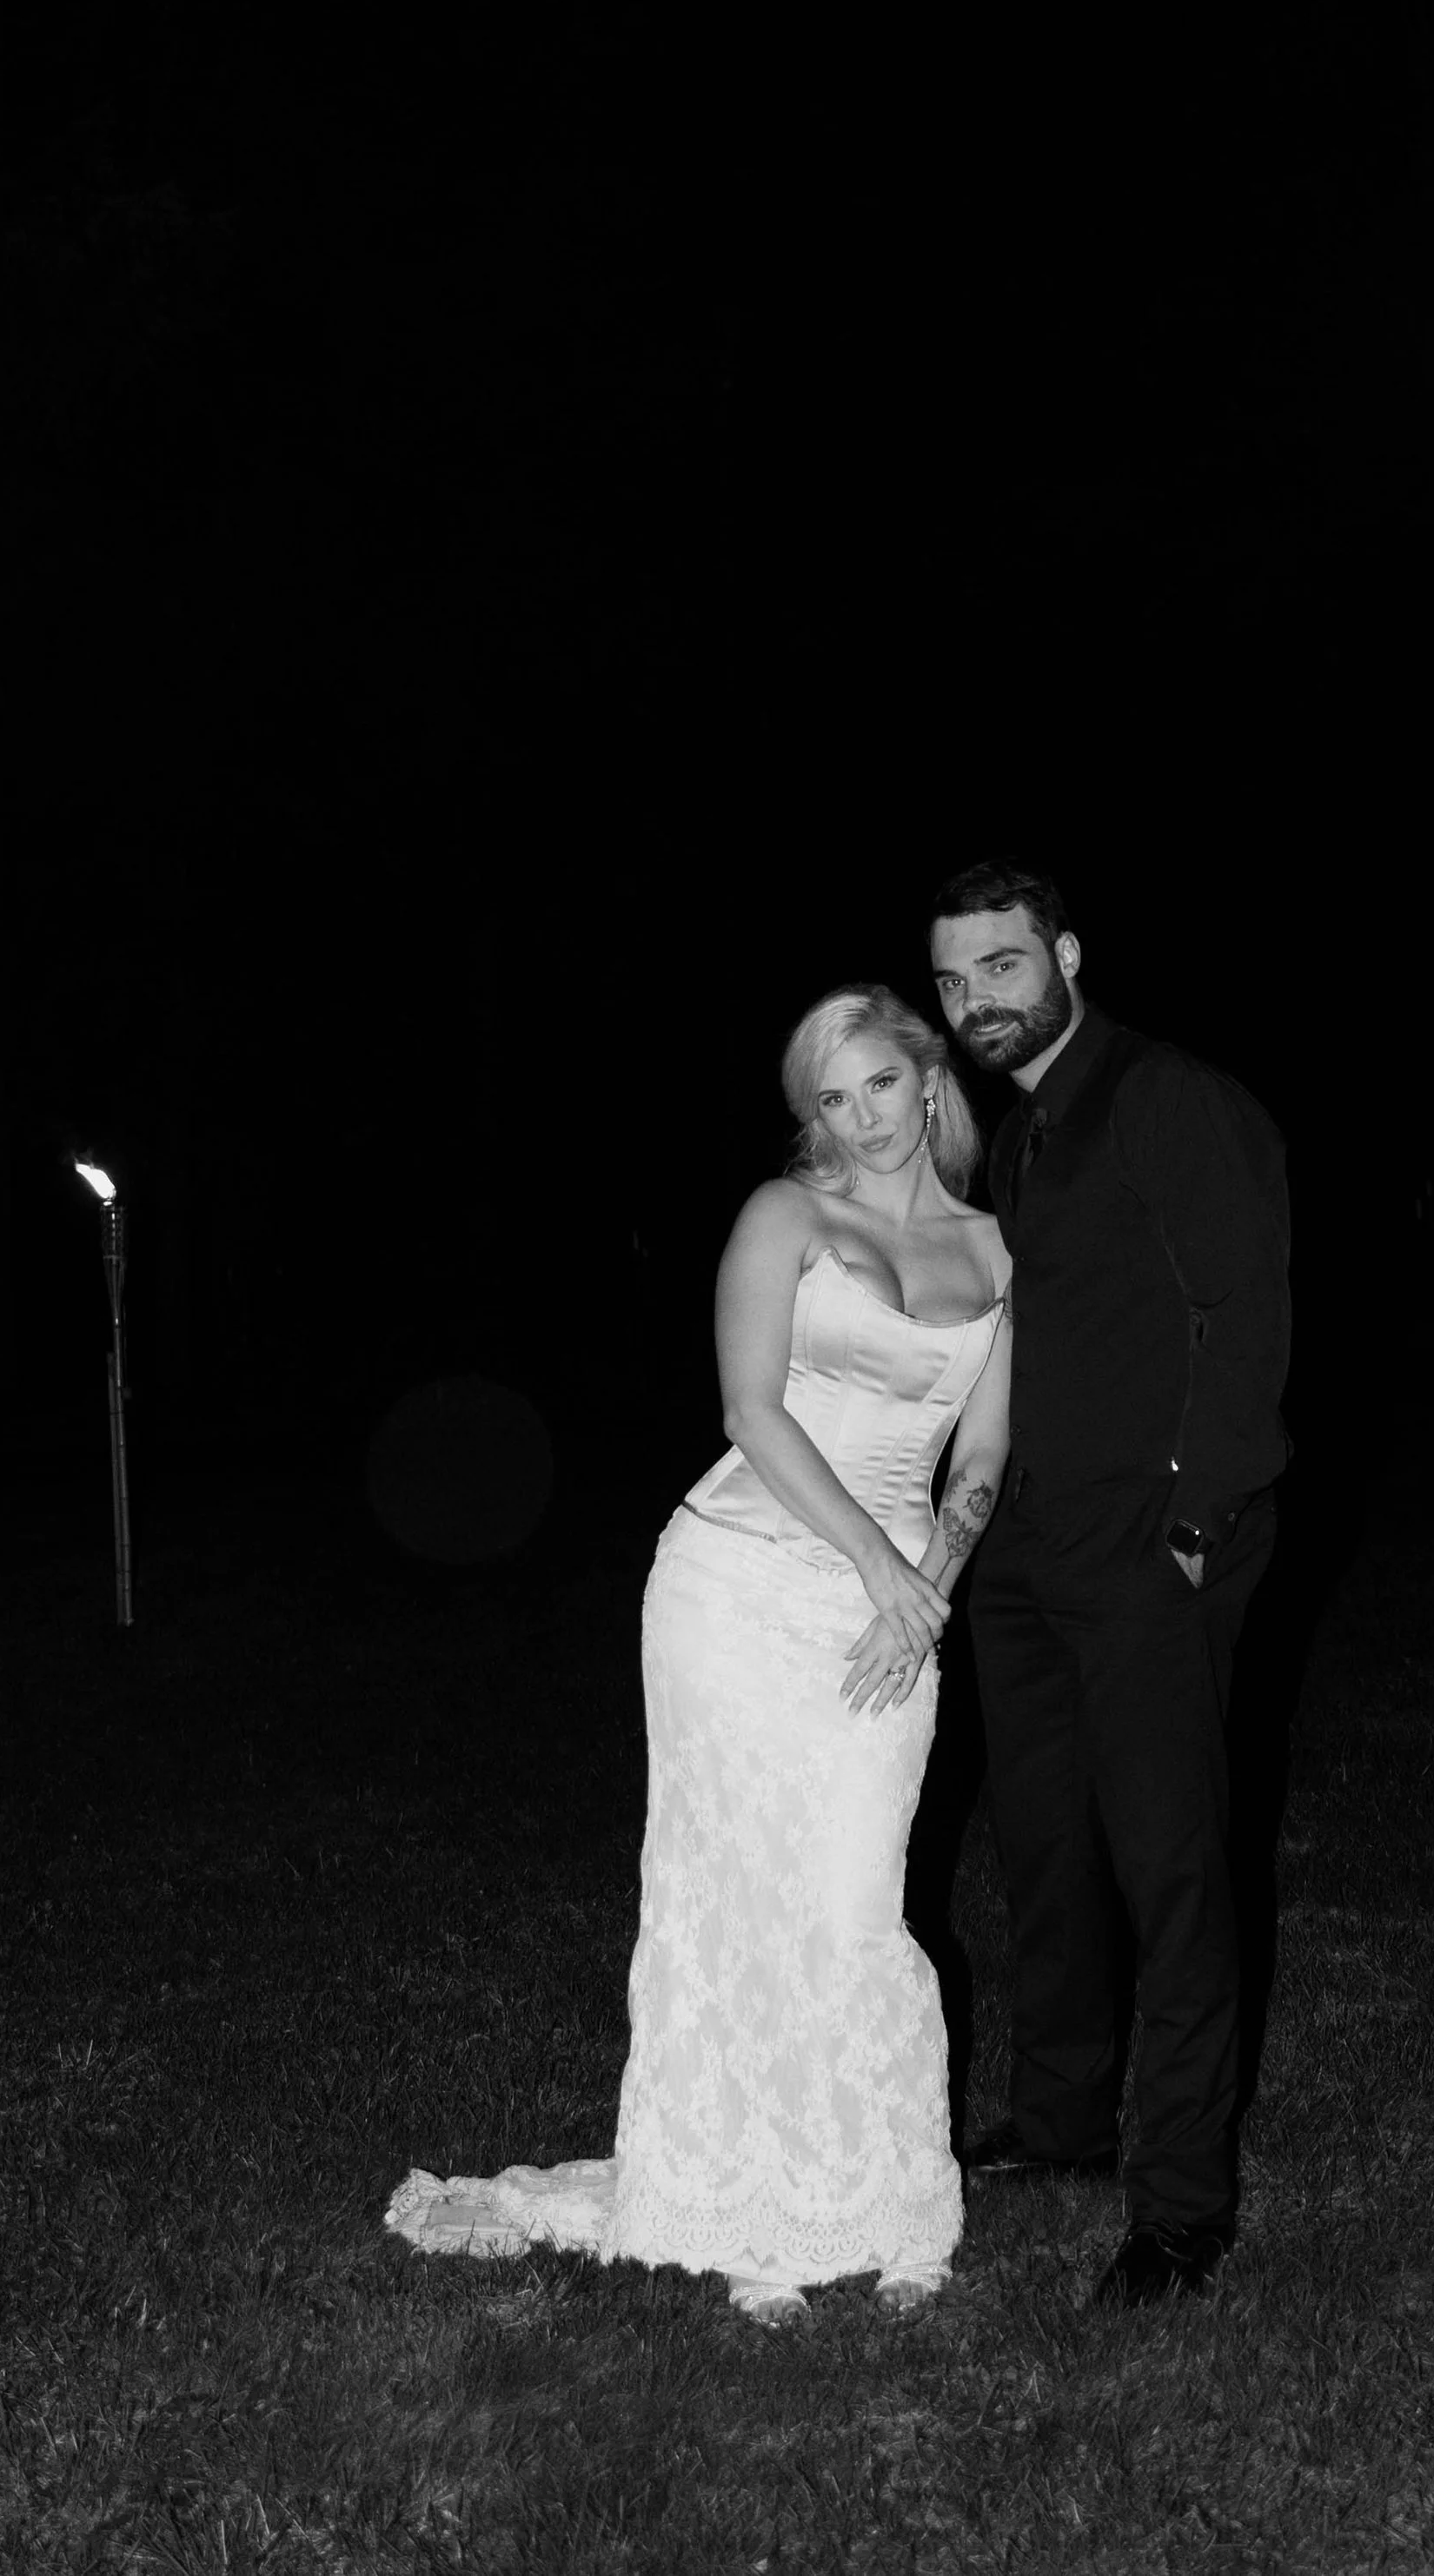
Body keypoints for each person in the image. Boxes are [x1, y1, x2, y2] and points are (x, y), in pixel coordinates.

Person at [386, 986, 1012, 2323]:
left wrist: (925, 1594)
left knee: (854, 1898)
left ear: (929, 1075)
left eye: (879, 1087)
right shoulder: (785, 1217)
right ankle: (749, 2212)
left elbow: (984, 1459)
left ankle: (891, 2197)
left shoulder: (1006, 1254)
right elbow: (752, 1409)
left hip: (890, 1605)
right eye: (829, 1101)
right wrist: (877, 1566)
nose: (860, 1121)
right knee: (738, 1891)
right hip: (739, 1583)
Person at [928, 860, 1290, 2308]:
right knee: (1043, 1848)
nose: (977, 1005)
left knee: (1171, 1867)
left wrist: (1195, 1522)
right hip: (1028, 1551)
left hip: (1148, 1548)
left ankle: (1182, 2207)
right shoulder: (1025, 1137)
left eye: (1002, 969)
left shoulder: (1164, 1098)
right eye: (955, 983)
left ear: (1067, 953)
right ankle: (1065, 2117)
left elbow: (1245, 1309)